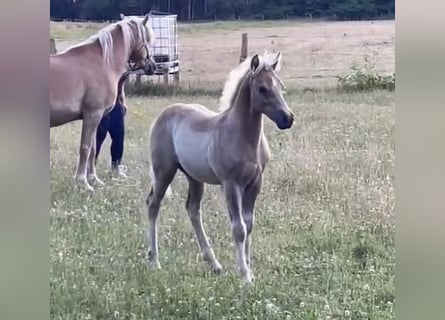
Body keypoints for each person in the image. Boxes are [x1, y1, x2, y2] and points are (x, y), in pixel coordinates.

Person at [95, 71, 131, 179]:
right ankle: (90, 167)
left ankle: (116, 167)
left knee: (119, 137)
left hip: (116, 104)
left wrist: (123, 101)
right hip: (103, 104)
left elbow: (120, 85)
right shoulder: (104, 63)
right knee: (99, 136)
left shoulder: (121, 65)